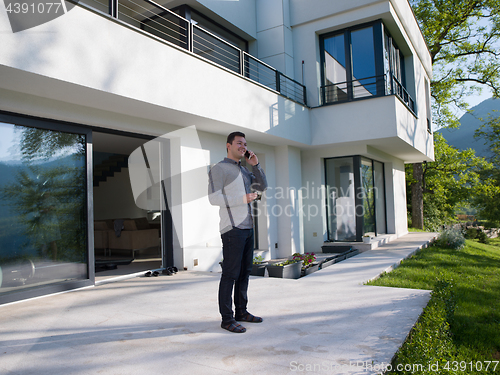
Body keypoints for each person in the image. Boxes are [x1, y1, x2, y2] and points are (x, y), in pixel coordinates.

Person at [208, 131, 267, 333]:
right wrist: (241, 200)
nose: (243, 146)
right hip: (232, 229)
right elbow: (213, 199)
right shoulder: (219, 169)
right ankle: (227, 319)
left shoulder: (243, 171)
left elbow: (262, 186)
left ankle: (241, 312)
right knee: (230, 274)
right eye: (239, 143)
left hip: (248, 228)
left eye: (245, 143)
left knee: (244, 273)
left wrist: (256, 165)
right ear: (228, 145)